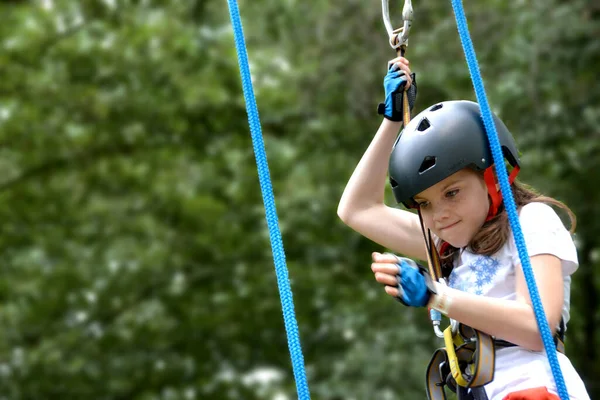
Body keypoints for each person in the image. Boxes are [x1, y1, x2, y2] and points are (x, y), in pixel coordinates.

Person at [337, 56, 590, 400]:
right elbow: (357, 209)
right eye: (423, 203)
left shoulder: (532, 220)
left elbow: (538, 328)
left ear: (494, 176)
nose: (439, 214)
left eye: (452, 192)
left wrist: (436, 296)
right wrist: (391, 121)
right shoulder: (444, 241)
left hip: (536, 388)